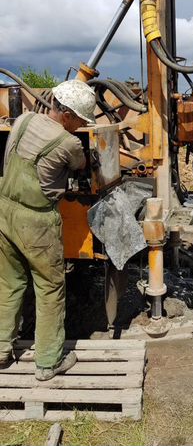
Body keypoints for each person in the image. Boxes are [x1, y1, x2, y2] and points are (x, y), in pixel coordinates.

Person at [0, 79, 96, 380]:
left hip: (3, 213)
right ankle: (48, 363)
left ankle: (1, 351)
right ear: (66, 115)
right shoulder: (69, 143)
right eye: (81, 119)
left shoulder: (24, 120)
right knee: (49, 288)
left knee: (8, 283)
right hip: (37, 223)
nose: (81, 125)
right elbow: (81, 165)